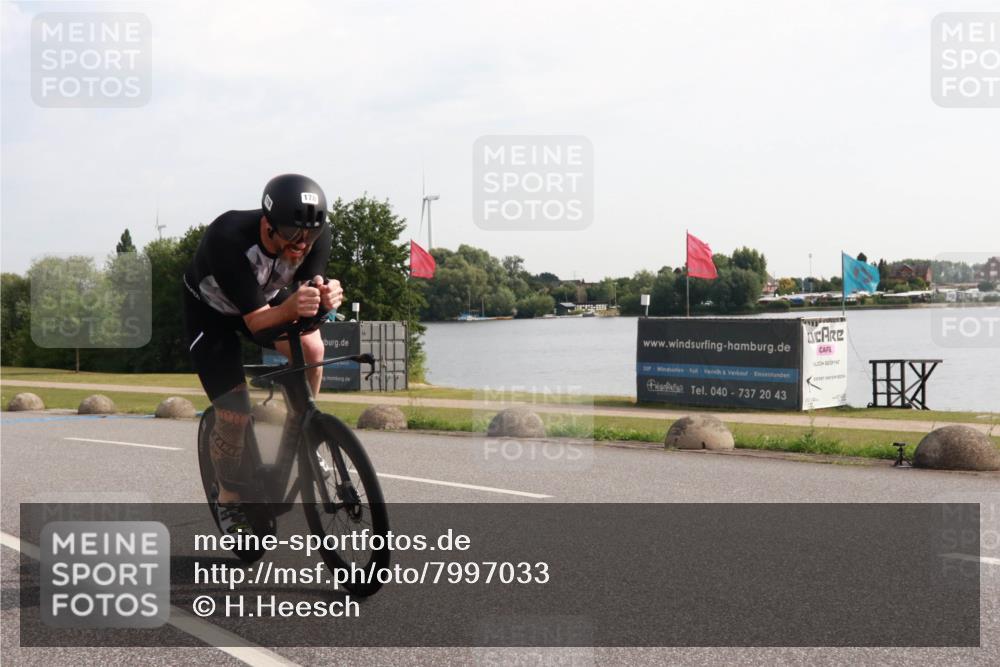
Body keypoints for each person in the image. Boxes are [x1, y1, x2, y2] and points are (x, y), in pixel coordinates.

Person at [182, 174, 343, 535]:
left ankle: (304, 429)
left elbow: (308, 294)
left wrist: (326, 298)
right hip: (211, 317)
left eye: (310, 237)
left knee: (314, 347)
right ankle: (228, 498)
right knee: (234, 413)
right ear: (267, 225)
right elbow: (256, 324)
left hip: (264, 304)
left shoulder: (315, 235)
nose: (301, 245)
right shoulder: (227, 237)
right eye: (291, 235)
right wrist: (293, 307)